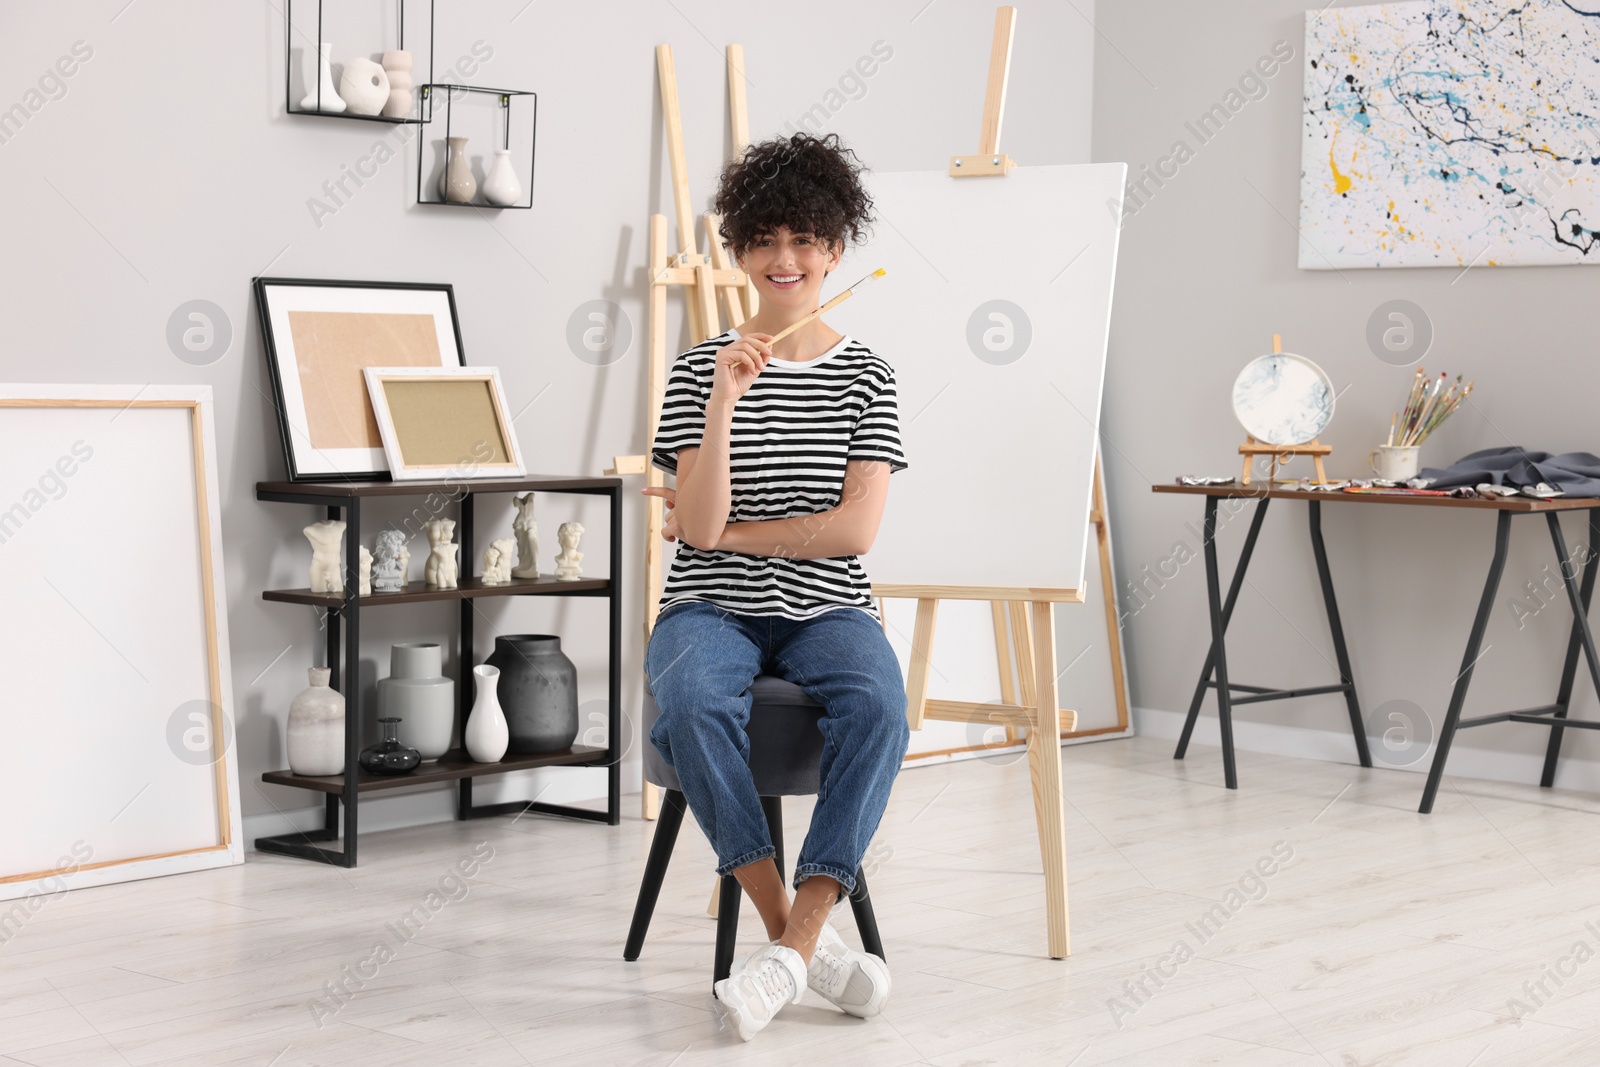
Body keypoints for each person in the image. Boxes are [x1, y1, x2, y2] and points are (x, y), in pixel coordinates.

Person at [642, 131, 911, 1041]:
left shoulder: (868, 375)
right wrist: (722, 401)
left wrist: (728, 532)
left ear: (836, 247)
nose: (785, 260)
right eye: (766, 240)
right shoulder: (696, 367)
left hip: (830, 604)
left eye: (806, 240)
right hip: (708, 602)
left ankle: (791, 950)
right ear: (743, 249)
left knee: (878, 703)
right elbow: (703, 536)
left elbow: (853, 532)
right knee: (687, 697)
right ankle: (798, 942)